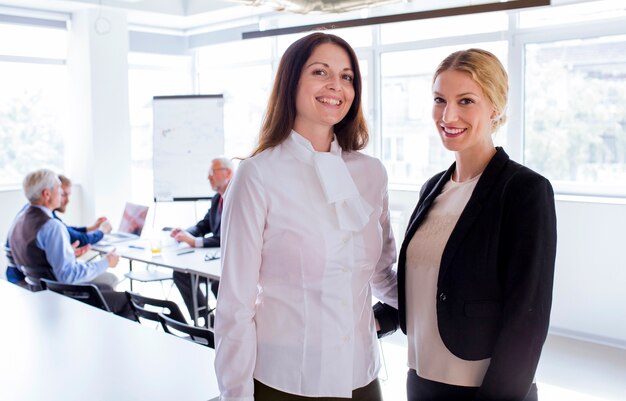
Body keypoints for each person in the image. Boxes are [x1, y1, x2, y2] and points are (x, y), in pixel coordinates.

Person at [215, 32, 398, 401]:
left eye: (347, 77)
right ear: (291, 81)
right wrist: (235, 394)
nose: (336, 86)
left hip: (360, 375)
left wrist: (442, 304)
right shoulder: (257, 174)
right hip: (287, 380)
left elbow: (380, 274)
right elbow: (235, 304)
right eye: (320, 72)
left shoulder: (371, 173)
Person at [376, 49, 557, 401]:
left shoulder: (523, 190)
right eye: (440, 100)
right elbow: (427, 283)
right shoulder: (433, 188)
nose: (449, 114)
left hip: (483, 389)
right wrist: (374, 319)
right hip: (420, 379)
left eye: (466, 101)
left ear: (496, 109)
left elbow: (527, 317)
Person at [7, 169, 134, 319]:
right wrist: (106, 262)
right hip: (60, 295)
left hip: (39, 290)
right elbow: (68, 276)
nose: (62, 193)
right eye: (59, 188)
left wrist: (67, 253)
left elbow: (34, 257)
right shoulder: (52, 226)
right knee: (129, 302)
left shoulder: (20, 218)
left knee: (106, 286)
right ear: (47, 194)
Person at [170, 156, 233, 318]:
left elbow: (227, 236)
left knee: (217, 284)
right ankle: (205, 319)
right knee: (181, 273)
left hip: (229, 263)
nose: (208, 176)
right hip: (213, 260)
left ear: (229, 173)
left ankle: (223, 324)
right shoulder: (217, 198)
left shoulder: (236, 199)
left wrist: (195, 242)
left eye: (213, 172)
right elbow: (204, 225)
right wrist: (185, 233)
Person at [55, 174, 112, 246]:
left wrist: (91, 228)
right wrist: (102, 231)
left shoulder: (50, 215)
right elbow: (81, 239)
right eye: (63, 195)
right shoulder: (51, 221)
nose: (68, 200)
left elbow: (67, 229)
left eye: (68, 195)